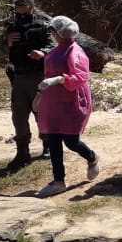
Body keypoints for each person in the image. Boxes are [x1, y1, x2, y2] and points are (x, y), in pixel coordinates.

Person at [0, 0, 53, 167]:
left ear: (32, 9)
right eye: (18, 13)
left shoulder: (43, 25)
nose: (21, 16)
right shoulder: (11, 27)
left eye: (24, 13)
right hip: (18, 77)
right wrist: (8, 43)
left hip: (38, 75)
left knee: (41, 113)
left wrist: (42, 53)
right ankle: (22, 151)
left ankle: (48, 145)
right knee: (19, 116)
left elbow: (52, 45)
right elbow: (0, 53)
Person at [33, 15, 100, 198]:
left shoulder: (75, 52)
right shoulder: (58, 49)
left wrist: (61, 79)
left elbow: (80, 76)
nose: (51, 34)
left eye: (53, 31)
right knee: (54, 141)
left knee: (71, 141)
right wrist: (40, 94)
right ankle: (58, 181)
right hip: (54, 102)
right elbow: (53, 65)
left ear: (58, 33)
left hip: (71, 101)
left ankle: (92, 157)